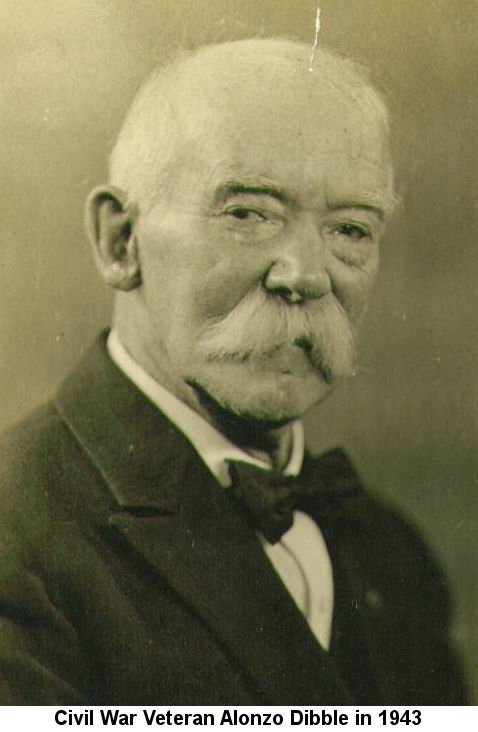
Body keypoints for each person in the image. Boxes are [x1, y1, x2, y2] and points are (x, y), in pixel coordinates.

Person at [0, 38, 465, 706]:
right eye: (247, 214)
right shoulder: (17, 542)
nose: (305, 273)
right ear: (120, 242)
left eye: (352, 230)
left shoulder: (392, 555)